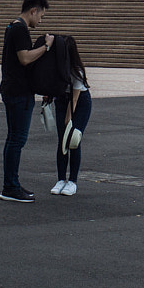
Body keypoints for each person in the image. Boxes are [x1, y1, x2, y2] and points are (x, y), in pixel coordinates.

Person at [0, 0, 53, 203]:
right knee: (17, 140)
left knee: (13, 139)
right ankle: (10, 187)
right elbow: (24, 58)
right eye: (41, 15)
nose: (40, 21)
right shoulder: (20, 29)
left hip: (12, 90)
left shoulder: (12, 27)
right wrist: (46, 46)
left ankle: (11, 183)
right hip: (18, 93)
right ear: (33, 10)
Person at [47, 34, 93, 196]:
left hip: (80, 103)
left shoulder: (76, 70)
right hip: (62, 100)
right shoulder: (57, 66)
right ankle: (61, 179)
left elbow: (75, 98)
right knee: (62, 141)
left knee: (73, 138)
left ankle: (72, 181)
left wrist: (69, 118)